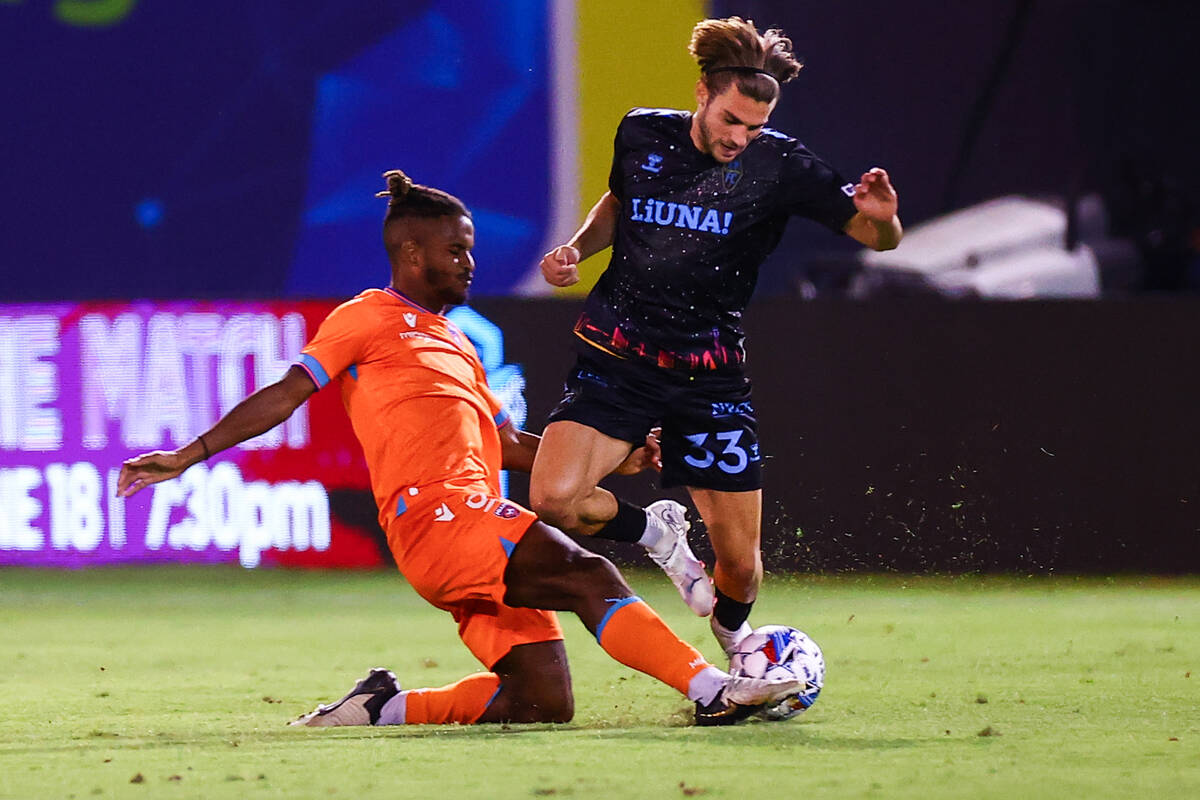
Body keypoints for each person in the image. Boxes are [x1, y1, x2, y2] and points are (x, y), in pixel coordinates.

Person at [116, 170, 803, 727]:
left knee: (541, 701)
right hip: (437, 518)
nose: (469, 262)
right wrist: (189, 454)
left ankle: (381, 709)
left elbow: (505, 444)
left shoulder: (457, 343)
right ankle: (712, 687)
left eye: (470, 248)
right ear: (411, 254)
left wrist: (614, 459)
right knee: (590, 576)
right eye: (456, 250)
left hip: (470, 523)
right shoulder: (364, 317)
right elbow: (287, 393)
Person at [530, 17, 903, 658]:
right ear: (702, 93)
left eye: (754, 127)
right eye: (731, 120)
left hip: (709, 374)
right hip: (617, 354)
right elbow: (619, 205)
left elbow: (874, 238)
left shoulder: (783, 165)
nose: (740, 138)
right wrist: (576, 248)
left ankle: (735, 638)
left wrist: (887, 223)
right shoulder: (642, 130)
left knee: (742, 569)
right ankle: (655, 532)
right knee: (554, 500)